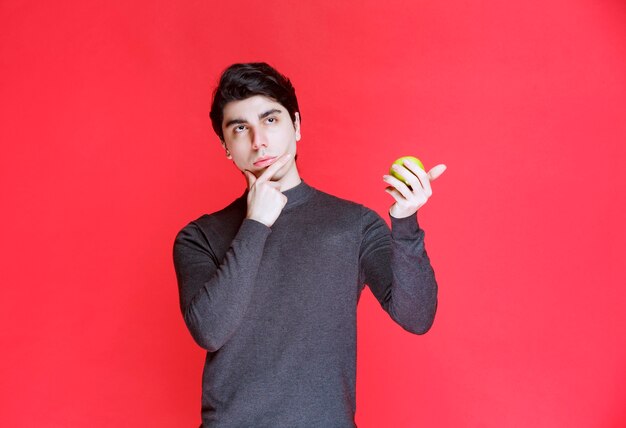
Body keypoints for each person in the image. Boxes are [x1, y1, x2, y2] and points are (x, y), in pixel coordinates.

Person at [173, 62, 446, 428]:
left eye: (271, 120)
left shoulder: (354, 225)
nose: (259, 141)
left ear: (297, 126)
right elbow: (210, 330)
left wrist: (406, 221)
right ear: (226, 146)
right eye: (241, 128)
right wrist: (255, 224)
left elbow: (417, 317)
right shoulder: (198, 237)